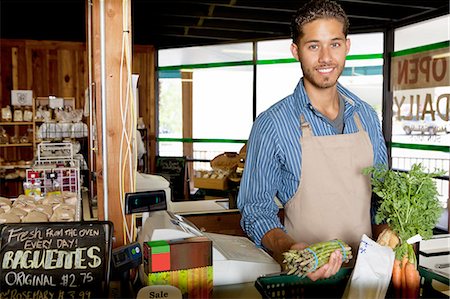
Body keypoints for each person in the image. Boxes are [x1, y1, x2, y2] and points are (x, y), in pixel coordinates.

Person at [237, 0, 388, 281]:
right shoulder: (272, 124)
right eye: (313, 46)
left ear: (347, 46)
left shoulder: (366, 117)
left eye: (335, 43)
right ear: (296, 51)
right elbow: (255, 209)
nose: (326, 58)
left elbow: (379, 200)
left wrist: (389, 230)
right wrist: (289, 249)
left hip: (369, 278)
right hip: (305, 279)